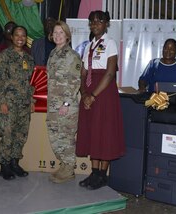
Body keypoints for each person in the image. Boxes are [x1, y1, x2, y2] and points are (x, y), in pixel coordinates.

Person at [76, 10, 125, 190]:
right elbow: (82, 73)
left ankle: (102, 175)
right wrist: (84, 94)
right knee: (92, 131)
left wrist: (93, 95)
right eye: (92, 22)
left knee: (104, 132)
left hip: (103, 93)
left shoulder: (110, 44)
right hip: (88, 91)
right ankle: (94, 172)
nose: (95, 24)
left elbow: (110, 73)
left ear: (106, 24)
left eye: (99, 21)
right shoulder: (89, 46)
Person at [0, 25, 35, 180]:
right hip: (8, 104)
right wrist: (2, 101)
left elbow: (31, 82)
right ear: (12, 37)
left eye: (23, 35)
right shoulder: (4, 56)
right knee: (8, 134)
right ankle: (4, 165)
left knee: (21, 134)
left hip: (24, 104)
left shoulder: (29, 59)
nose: (20, 38)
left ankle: (15, 163)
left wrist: (31, 100)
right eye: (17, 35)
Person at [46, 21, 81, 183]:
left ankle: (69, 169)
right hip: (53, 104)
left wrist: (66, 104)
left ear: (67, 35)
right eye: (55, 32)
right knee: (55, 136)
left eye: (61, 32)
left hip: (66, 105)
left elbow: (75, 81)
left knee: (66, 137)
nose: (58, 35)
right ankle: (64, 165)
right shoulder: (53, 53)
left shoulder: (71, 55)